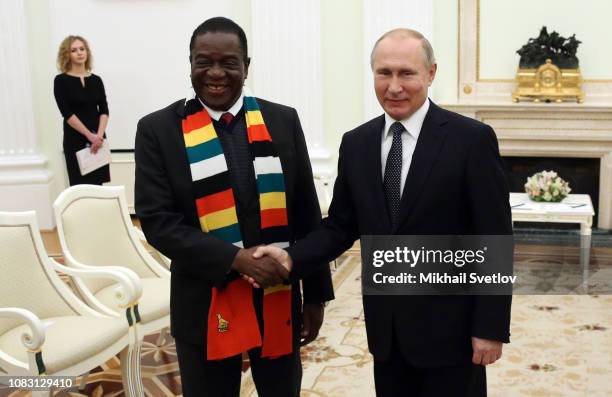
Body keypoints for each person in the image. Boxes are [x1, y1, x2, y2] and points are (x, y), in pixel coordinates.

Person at [254, 28, 512, 397]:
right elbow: (341, 226)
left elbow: (495, 237)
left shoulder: (471, 139)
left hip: (452, 332)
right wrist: (290, 258)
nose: (394, 86)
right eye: (384, 73)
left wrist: (489, 327)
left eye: (406, 73)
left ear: (431, 73)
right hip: (387, 333)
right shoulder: (356, 143)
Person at [134, 17, 334, 397]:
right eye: (203, 61)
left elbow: (307, 213)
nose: (215, 73)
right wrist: (235, 259)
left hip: (278, 296)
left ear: (246, 65)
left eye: (228, 62)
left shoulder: (282, 120)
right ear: (190, 63)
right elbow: (159, 223)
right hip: (204, 301)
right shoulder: (158, 130)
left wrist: (317, 295)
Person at [54, 35, 110, 186]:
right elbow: (67, 113)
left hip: (98, 140)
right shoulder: (60, 81)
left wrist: (98, 136)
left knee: (98, 187)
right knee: (80, 187)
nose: (79, 53)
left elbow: (104, 110)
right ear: (67, 55)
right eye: (74, 50)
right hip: (76, 139)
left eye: (82, 49)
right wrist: (89, 135)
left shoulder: (96, 80)